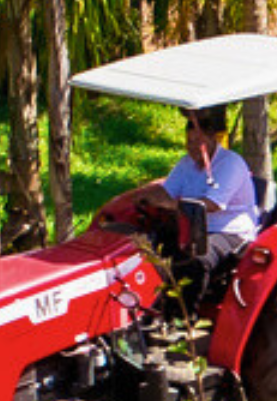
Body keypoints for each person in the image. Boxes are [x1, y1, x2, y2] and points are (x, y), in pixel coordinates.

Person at [103, 104, 261, 298]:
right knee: (144, 246)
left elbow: (210, 205)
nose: (193, 146)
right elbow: (166, 192)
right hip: (192, 227)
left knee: (198, 260)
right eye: (189, 141)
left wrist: (171, 204)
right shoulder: (187, 163)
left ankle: (186, 316)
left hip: (226, 230)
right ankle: (148, 302)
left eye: (198, 141)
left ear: (212, 138)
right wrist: (143, 198)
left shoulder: (231, 164)